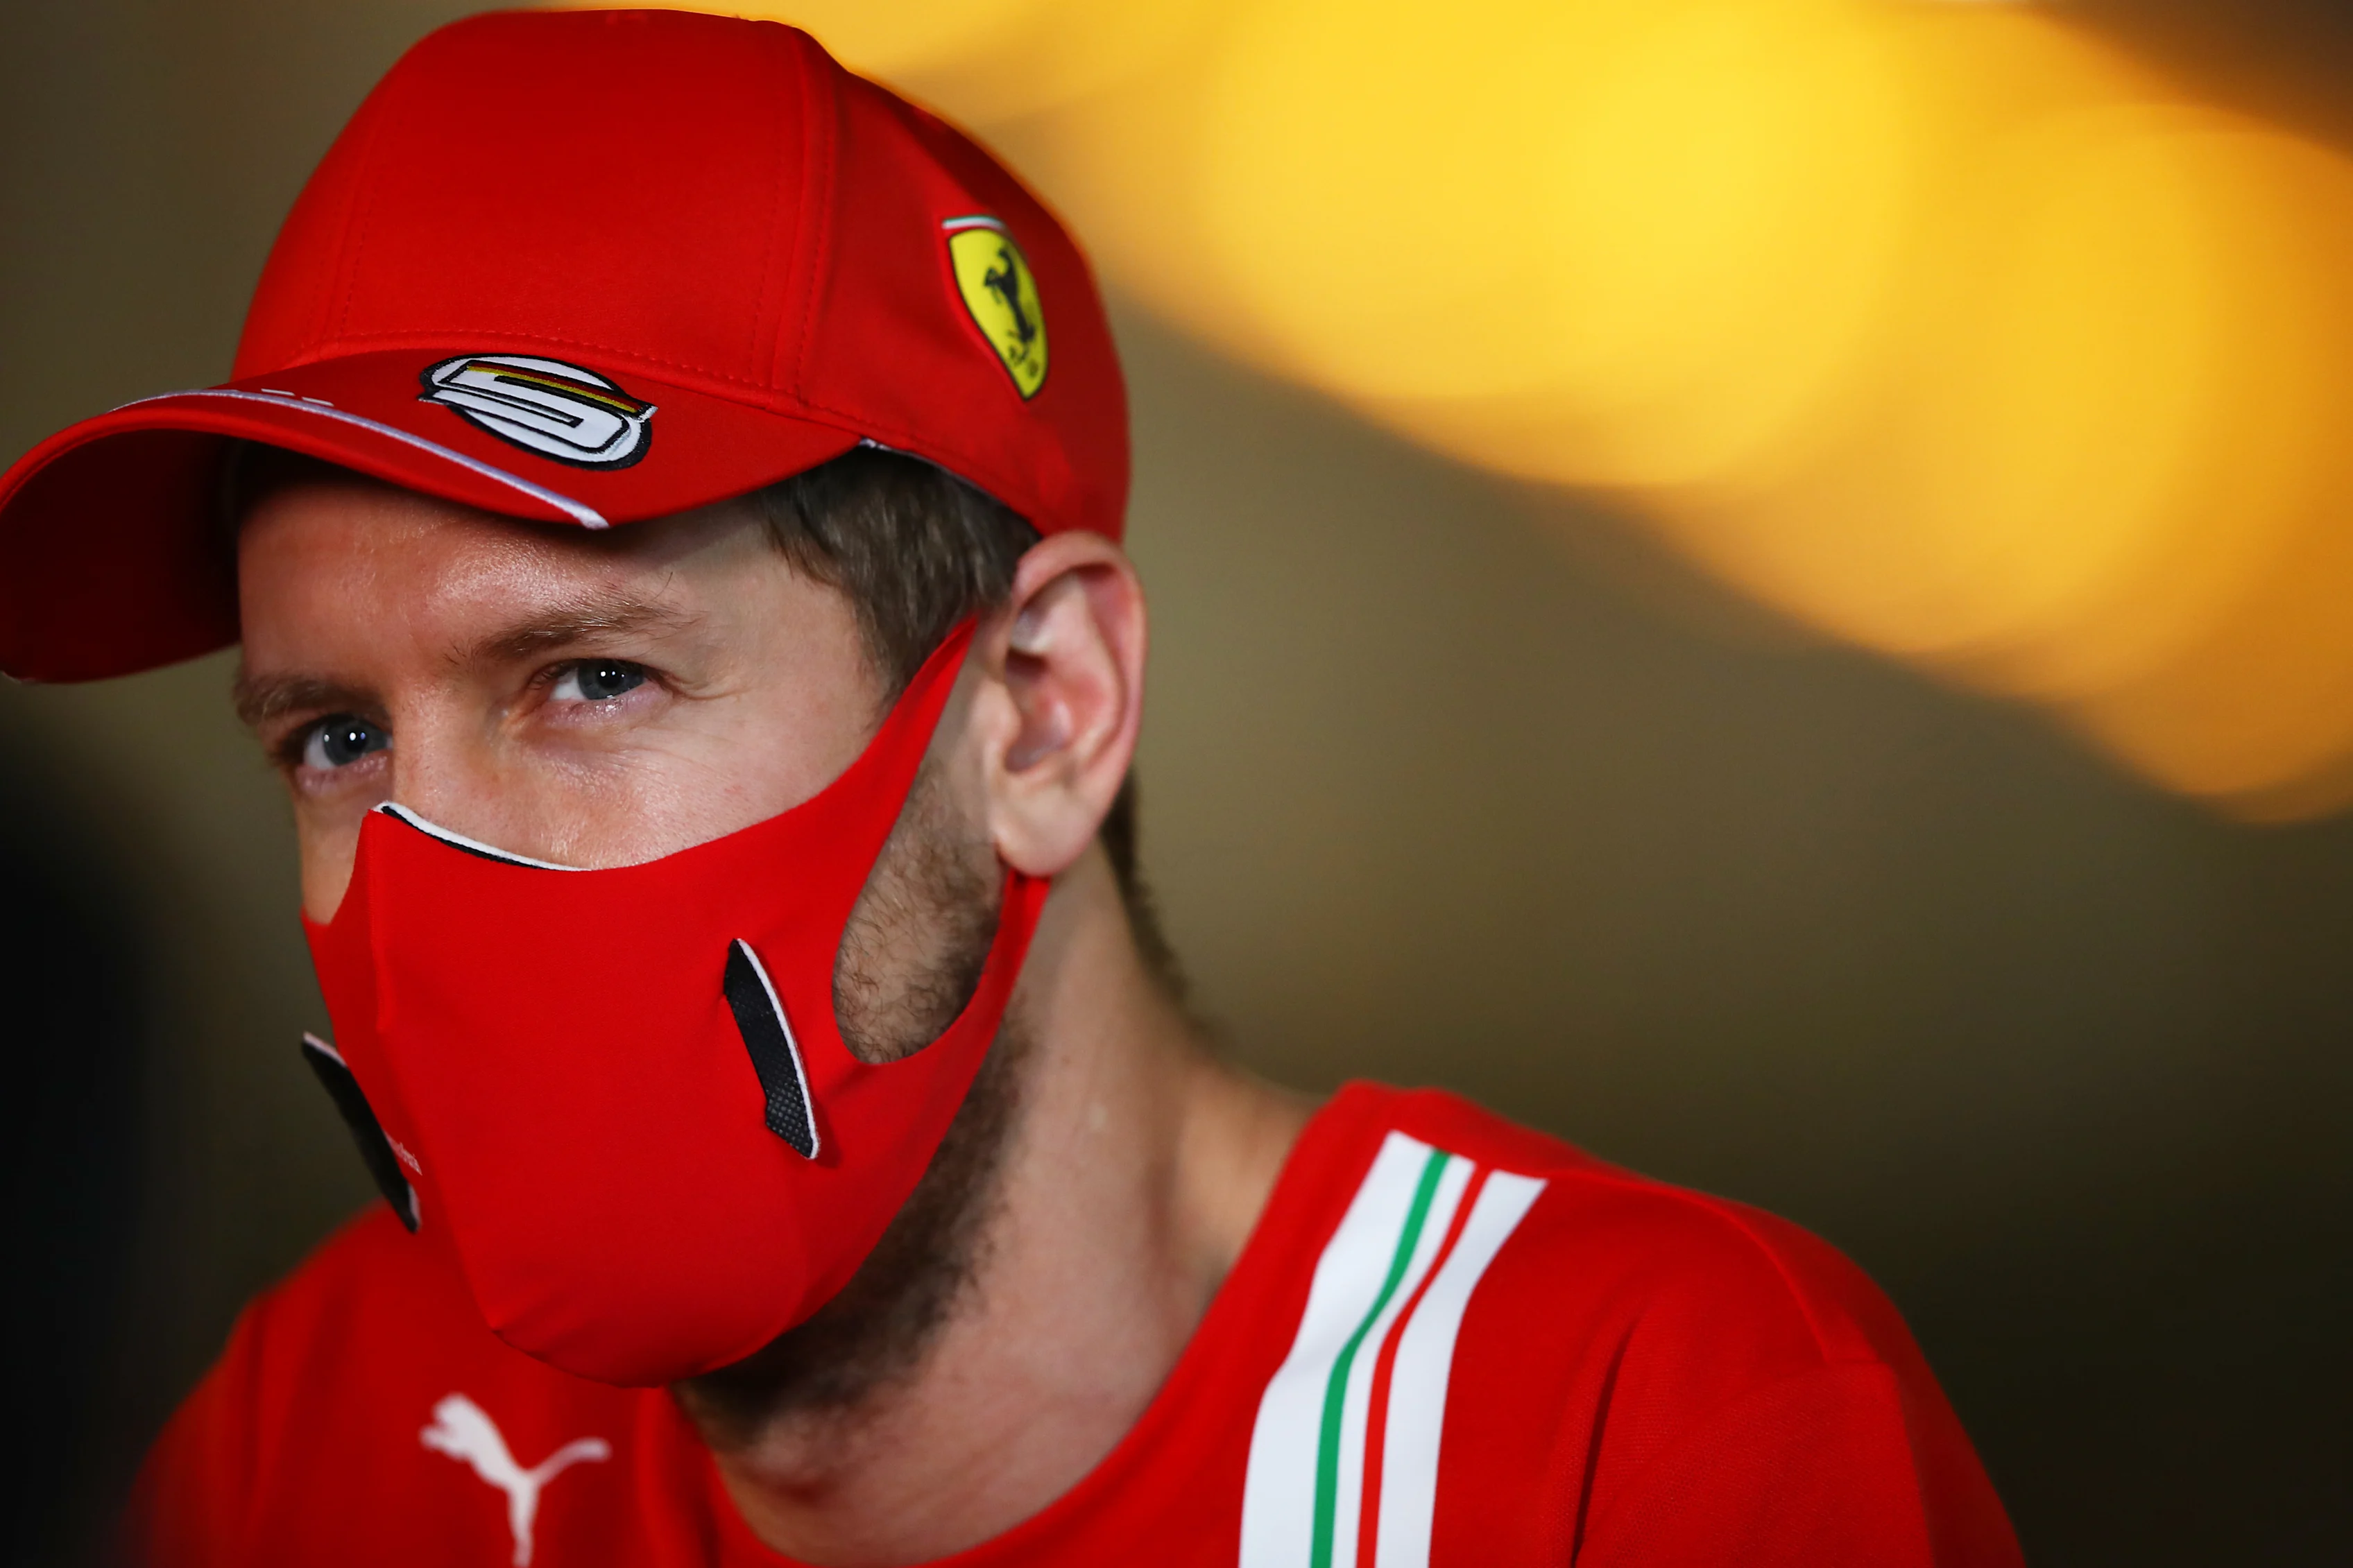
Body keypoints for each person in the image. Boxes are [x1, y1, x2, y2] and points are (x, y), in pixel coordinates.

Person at [0, 11, 2022, 1565]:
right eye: (335, 738)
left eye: (589, 677)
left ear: (1043, 709)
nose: (424, 878)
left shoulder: (1642, 1435)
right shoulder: (330, 1431)